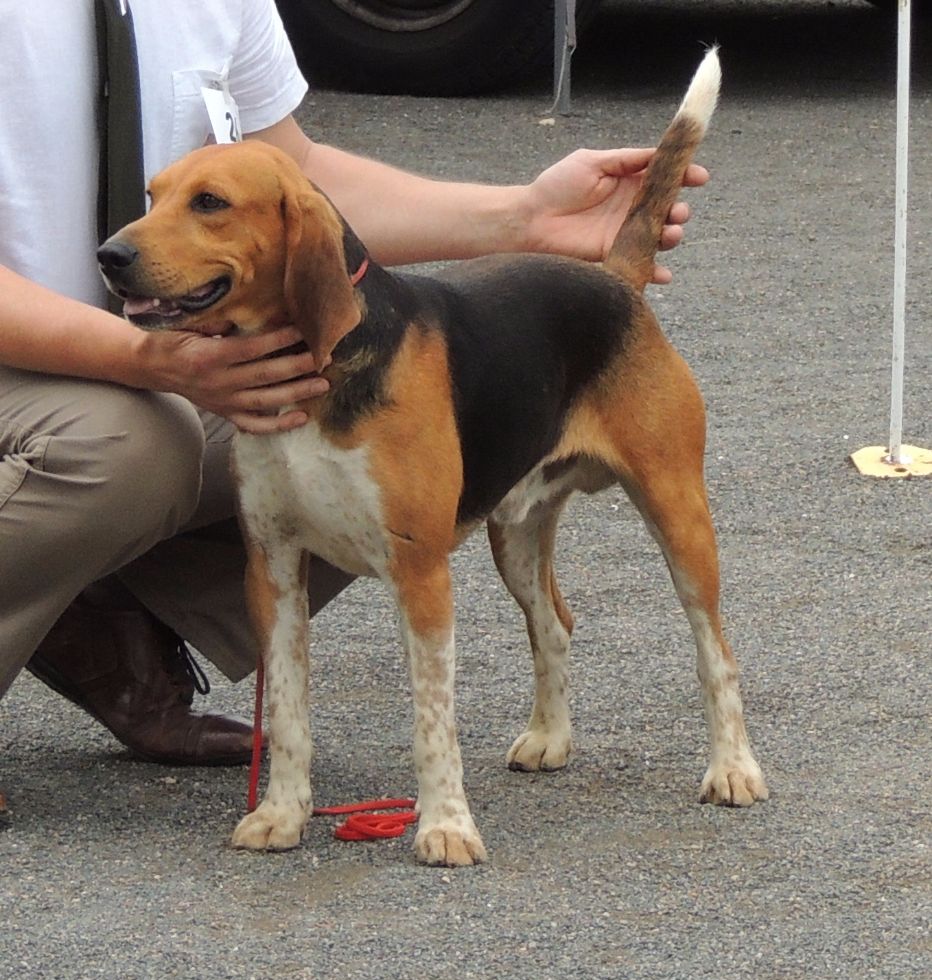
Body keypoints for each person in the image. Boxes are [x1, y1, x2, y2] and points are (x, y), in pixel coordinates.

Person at [0, 0, 708, 767]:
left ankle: (105, 632)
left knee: (370, 420)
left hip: (148, 339)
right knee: (133, 449)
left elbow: (296, 185)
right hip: (38, 362)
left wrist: (524, 215)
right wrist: (145, 362)